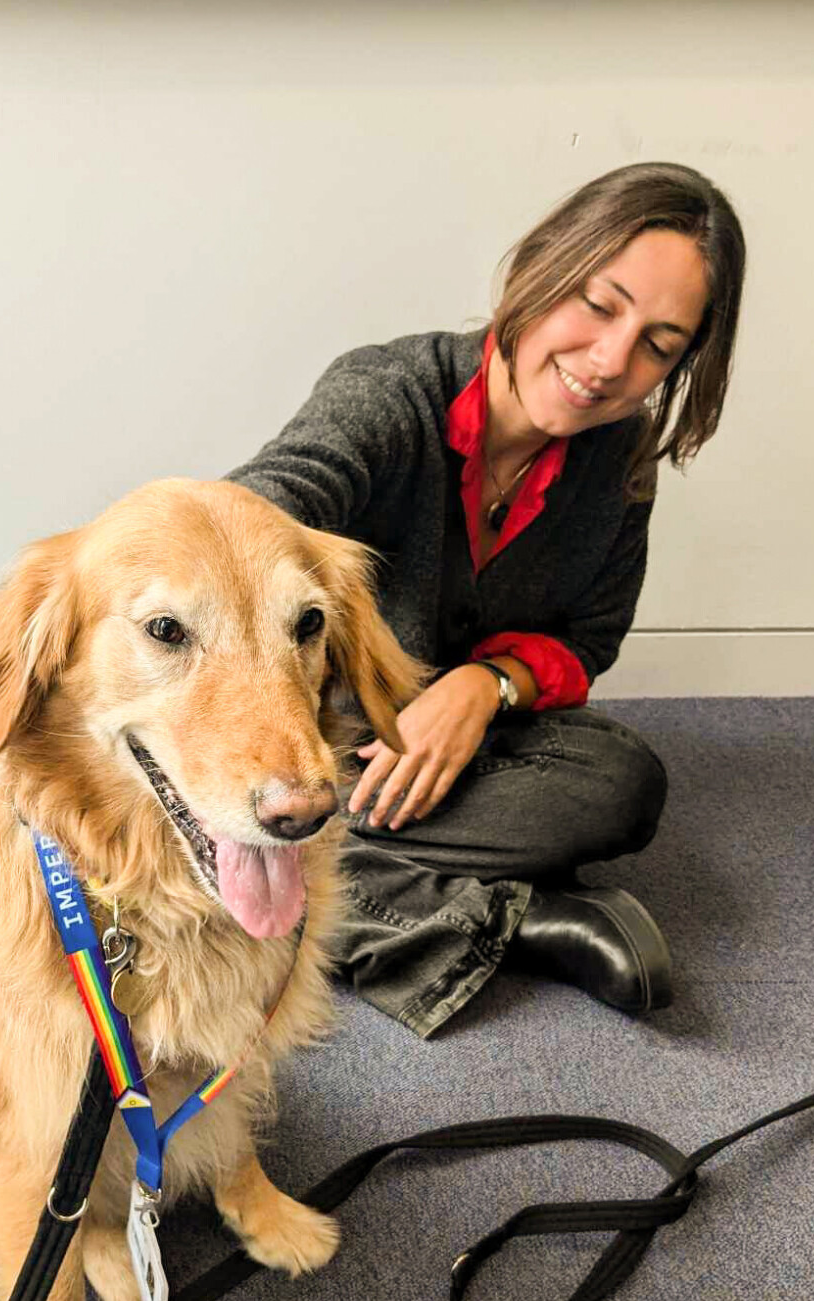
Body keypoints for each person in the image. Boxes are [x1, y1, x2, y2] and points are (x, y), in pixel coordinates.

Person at [228, 161, 746, 1038]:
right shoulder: (387, 395)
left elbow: (590, 640)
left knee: (623, 785)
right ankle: (510, 922)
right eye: (600, 303)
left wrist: (487, 686)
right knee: (224, 811)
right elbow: (257, 513)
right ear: (538, 270)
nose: (611, 361)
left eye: (659, 344)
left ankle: (278, 874)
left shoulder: (622, 460)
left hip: (454, 748)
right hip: (312, 744)